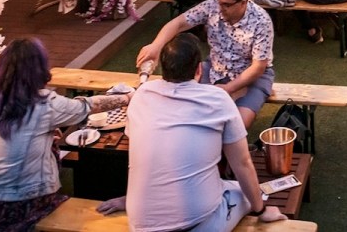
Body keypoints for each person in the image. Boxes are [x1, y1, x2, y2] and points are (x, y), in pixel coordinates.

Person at [98, 33, 286, 230]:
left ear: (163, 69)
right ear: (199, 70)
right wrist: (261, 211)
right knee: (246, 192)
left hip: (140, 222)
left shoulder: (141, 95)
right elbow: (242, 163)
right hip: (198, 224)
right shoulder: (218, 98)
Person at [0, 38, 132, 232]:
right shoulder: (45, 104)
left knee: (50, 141)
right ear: (39, 69)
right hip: (21, 203)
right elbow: (88, 106)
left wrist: (43, 135)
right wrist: (127, 98)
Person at [137, 0, 274, 129]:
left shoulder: (262, 21)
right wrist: (156, 46)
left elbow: (258, 67)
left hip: (252, 76)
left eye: (226, 5)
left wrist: (228, 89)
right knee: (185, 112)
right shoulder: (213, 5)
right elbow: (178, 23)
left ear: (243, 2)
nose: (220, 8)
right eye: (219, 2)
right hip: (215, 67)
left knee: (237, 126)